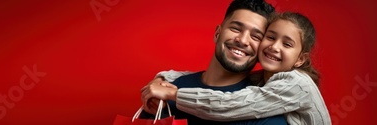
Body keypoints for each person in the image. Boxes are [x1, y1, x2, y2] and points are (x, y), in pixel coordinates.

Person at [141, 12, 331, 125]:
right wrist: (163, 78)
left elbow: (230, 105)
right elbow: (194, 76)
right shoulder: (264, 81)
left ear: (300, 59)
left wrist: (175, 94)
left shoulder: (297, 84)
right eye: (271, 37)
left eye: (287, 44)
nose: (274, 47)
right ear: (217, 33)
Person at [138, 0, 288, 124]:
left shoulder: (265, 109)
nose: (242, 40)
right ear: (217, 34)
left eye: (256, 37)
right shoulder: (165, 91)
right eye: (236, 28)